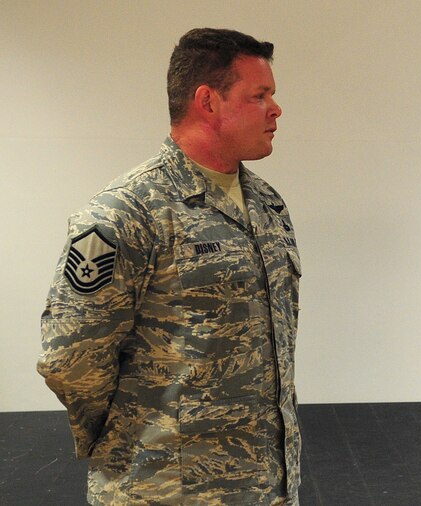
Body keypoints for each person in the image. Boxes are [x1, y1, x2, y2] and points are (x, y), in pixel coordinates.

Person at [37, 28, 302, 505]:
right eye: (259, 95)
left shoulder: (266, 203)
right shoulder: (127, 212)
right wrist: (135, 433)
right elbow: (71, 358)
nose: (276, 109)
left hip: (265, 485)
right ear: (208, 101)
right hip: (166, 488)